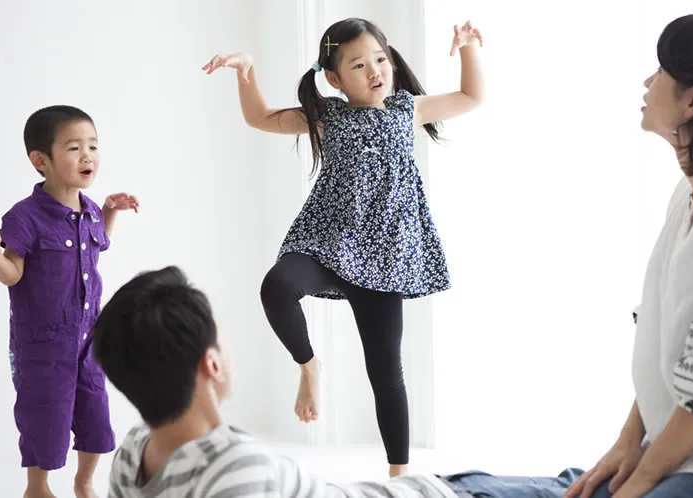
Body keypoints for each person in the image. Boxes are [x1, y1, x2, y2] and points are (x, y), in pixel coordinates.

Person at [440, 12, 693, 498]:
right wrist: (627, 443)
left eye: (661, 71)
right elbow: (679, 353)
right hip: (676, 456)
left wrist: (642, 476)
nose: (648, 80)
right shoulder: (688, 198)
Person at [201, 17, 484, 477]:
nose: (375, 70)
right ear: (333, 78)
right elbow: (257, 117)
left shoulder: (406, 109)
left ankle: (399, 476)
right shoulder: (326, 117)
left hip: (383, 258)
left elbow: (471, 97)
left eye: (380, 59)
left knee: (386, 373)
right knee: (276, 287)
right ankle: (309, 367)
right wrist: (245, 70)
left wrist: (468, 46)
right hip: (326, 242)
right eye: (358, 65)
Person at [96, 265, 581, 497]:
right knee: (593, 489)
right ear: (212, 366)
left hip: (421, 489)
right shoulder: (236, 468)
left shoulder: (132, 457)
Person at [0, 105, 139, 498]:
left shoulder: (90, 211)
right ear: (41, 160)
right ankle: (37, 488)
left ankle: (84, 482)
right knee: (45, 420)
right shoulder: (25, 217)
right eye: (74, 147)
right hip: (42, 346)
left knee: (96, 418)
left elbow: (100, 243)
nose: (88, 155)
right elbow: (13, 274)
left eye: (93, 145)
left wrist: (108, 211)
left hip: (89, 342)